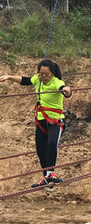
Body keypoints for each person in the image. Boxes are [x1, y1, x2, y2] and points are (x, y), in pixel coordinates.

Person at [0, 59, 71, 189]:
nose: (43, 77)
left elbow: (64, 89)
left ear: (52, 74)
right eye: (41, 74)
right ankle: (47, 178)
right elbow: (25, 80)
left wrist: (67, 90)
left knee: (51, 144)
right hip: (41, 121)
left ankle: (50, 174)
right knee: (40, 150)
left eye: (46, 75)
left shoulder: (56, 82)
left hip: (55, 121)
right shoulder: (37, 80)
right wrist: (9, 77)